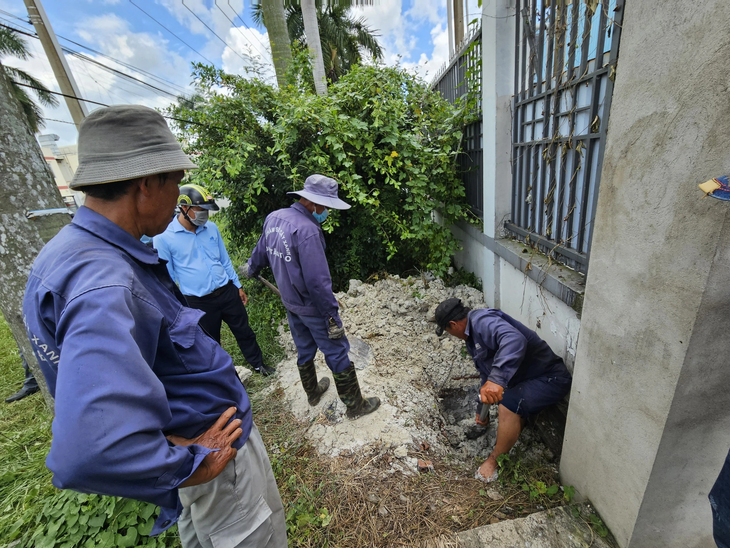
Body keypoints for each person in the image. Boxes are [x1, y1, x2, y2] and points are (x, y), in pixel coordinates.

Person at [22, 105, 286, 547]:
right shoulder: (105, 281)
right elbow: (88, 450)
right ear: (147, 184)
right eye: (176, 180)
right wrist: (191, 463)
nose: (180, 193)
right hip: (218, 467)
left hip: (201, 461)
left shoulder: (72, 256)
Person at [241, 174, 380, 419]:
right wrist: (331, 317)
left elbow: (260, 252)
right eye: (325, 206)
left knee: (304, 349)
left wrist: (251, 268)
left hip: (291, 304)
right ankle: (355, 406)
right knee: (337, 352)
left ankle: (313, 393)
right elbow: (317, 283)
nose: (326, 211)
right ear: (314, 203)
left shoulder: (274, 218)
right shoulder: (307, 232)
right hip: (312, 308)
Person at [435, 297, 572, 483]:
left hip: (550, 378)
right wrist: (481, 409)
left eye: (448, 331)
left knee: (507, 402)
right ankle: (514, 425)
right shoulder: (471, 338)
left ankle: (494, 462)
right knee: (504, 395)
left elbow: (514, 339)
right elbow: (486, 376)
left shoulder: (482, 322)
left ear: (453, 324)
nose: (451, 334)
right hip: (527, 378)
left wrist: (497, 380)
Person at [154, 184, 274, 376]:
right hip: (198, 301)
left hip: (227, 291)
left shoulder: (211, 228)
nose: (205, 215)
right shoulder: (164, 238)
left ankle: (259, 364)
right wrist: (177, 309)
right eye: (201, 210)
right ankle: (222, 376)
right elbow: (167, 278)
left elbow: (224, 260)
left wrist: (237, 285)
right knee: (210, 342)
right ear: (185, 208)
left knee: (244, 331)